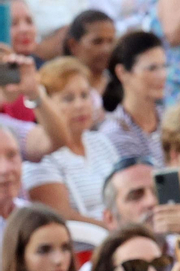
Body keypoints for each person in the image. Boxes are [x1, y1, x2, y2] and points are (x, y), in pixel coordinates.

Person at [24, 58, 116, 226]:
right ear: (47, 105)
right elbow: (59, 217)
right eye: (68, 98)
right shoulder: (40, 155)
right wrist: (119, 231)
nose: (80, 105)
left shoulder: (101, 142)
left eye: (84, 95)